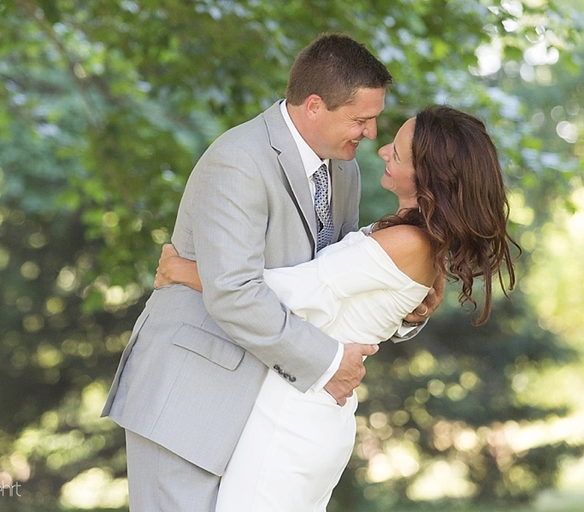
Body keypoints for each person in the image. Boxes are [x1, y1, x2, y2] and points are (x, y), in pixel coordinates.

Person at [101, 33, 444, 512]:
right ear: (314, 106)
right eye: (361, 120)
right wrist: (328, 363)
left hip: (272, 405)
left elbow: (334, 285)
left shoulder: (344, 172)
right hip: (191, 395)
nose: (371, 134)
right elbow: (235, 295)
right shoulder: (238, 161)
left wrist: (406, 307)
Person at [155, 105, 520, 511]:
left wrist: (185, 271)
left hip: (292, 421)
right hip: (307, 410)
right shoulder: (409, 238)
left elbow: (293, 292)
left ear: (429, 177)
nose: (381, 150)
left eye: (396, 154)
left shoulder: (408, 244)